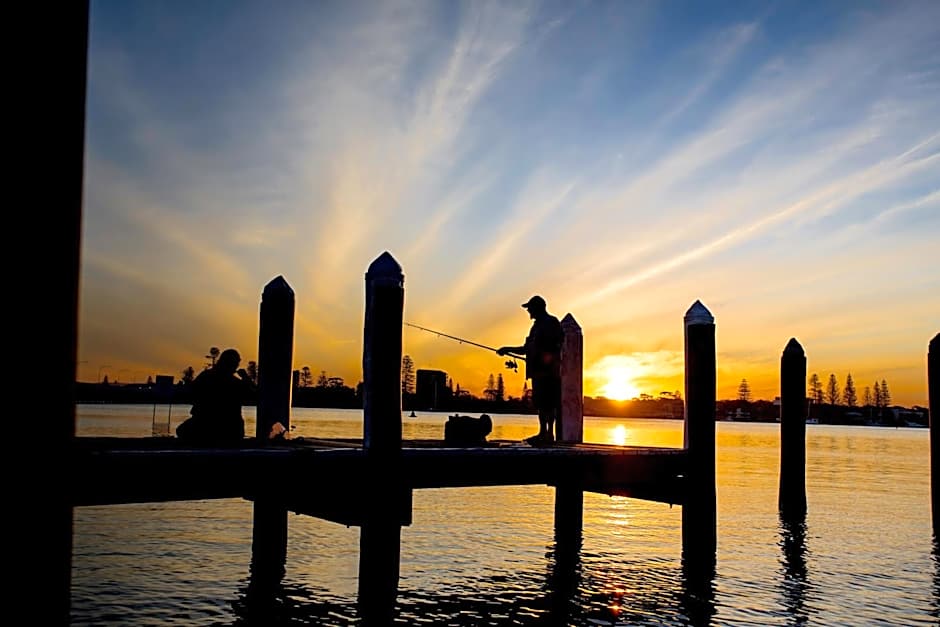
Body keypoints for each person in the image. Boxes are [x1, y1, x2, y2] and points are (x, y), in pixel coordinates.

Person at [498, 295, 563, 445]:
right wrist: (506, 349)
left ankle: (549, 434)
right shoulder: (535, 327)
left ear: (538, 308)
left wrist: (546, 358)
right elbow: (526, 348)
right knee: (541, 404)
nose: (529, 312)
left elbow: (558, 343)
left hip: (549, 373)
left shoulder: (552, 322)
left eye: (530, 309)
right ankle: (542, 433)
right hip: (538, 373)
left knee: (549, 403)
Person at [176, 348, 254, 445]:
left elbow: (191, 393)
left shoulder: (206, 376)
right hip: (229, 429)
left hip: (207, 425)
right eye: (236, 362)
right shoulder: (235, 383)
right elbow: (252, 395)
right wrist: (246, 379)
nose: (237, 365)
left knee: (181, 430)